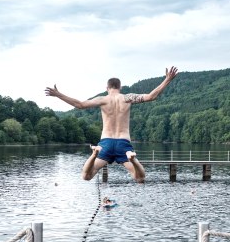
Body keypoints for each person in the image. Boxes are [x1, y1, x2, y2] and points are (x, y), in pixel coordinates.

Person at [45, 66, 179, 183]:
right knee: (140, 178)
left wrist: (58, 94)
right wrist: (167, 79)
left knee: (86, 176)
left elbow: (79, 105)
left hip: (106, 143)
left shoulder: (103, 99)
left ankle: (93, 154)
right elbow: (151, 96)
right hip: (123, 143)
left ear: (107, 88)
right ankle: (132, 159)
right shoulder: (127, 98)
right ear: (120, 87)